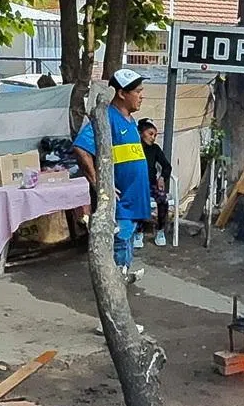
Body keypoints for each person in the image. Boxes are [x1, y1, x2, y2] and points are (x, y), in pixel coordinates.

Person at [72, 69, 150, 280]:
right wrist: (98, 183)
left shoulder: (131, 121)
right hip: (121, 199)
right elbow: (81, 148)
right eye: (138, 91)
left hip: (134, 197)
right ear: (123, 94)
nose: (142, 96)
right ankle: (113, 281)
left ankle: (122, 273)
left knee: (128, 238)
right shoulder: (106, 117)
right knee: (120, 238)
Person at [136, 118, 172, 248]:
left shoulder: (155, 149)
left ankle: (160, 230)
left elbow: (167, 166)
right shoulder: (134, 147)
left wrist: (162, 177)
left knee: (162, 199)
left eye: (155, 135)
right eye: (150, 134)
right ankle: (138, 231)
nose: (153, 138)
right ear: (141, 133)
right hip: (136, 185)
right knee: (138, 200)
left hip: (151, 184)